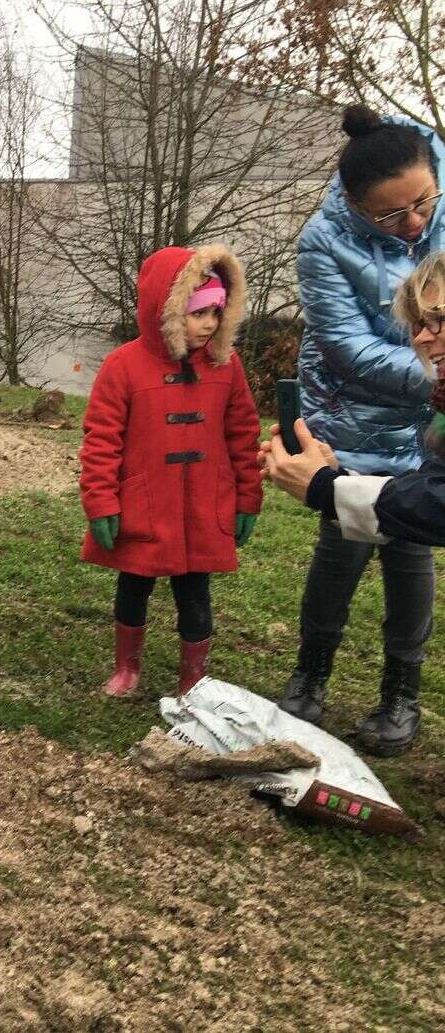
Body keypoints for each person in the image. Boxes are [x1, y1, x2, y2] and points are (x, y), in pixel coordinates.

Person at [279, 104, 444, 746]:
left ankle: (401, 696)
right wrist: (439, 374)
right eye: (390, 215)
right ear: (352, 202)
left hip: (431, 425)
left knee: (412, 553)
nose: (413, 223)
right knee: (341, 549)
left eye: (424, 204)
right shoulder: (322, 244)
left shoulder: (436, 199)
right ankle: (310, 678)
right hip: (353, 415)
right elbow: (350, 348)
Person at [80, 245, 262, 698]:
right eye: (197, 313)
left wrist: (247, 497)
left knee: (195, 594)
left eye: (216, 312)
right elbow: (101, 439)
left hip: (202, 507)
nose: (209, 325)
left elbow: (243, 433)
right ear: (166, 310)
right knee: (133, 586)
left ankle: (193, 678)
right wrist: (101, 501)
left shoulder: (227, 366)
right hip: (143, 505)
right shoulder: (123, 365)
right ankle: (127, 667)